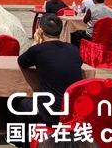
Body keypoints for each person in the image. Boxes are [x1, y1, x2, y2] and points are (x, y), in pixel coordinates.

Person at [14, 13, 82, 147]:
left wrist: (34, 43)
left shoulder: (38, 50)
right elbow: (78, 63)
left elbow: (22, 61)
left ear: (40, 31)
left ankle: (20, 142)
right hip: (74, 112)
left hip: (50, 114)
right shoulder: (73, 49)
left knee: (18, 103)